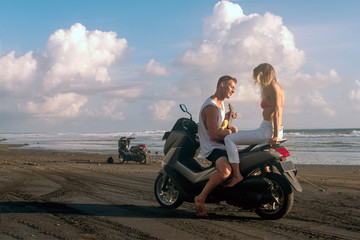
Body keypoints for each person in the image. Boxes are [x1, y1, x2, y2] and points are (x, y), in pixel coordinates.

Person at [224, 63, 285, 187]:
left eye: (258, 76)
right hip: (268, 128)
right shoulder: (274, 87)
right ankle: (266, 185)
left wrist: (275, 136)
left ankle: (236, 175)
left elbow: (278, 111)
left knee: (229, 139)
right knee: (261, 162)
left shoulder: (273, 87)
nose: (257, 80)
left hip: (269, 130)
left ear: (263, 74)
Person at [195, 75, 238, 217]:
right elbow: (214, 135)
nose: (233, 91)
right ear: (222, 84)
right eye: (231, 87)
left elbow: (218, 123)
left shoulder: (220, 104)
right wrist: (231, 131)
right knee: (225, 171)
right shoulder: (211, 107)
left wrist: (227, 117)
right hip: (212, 147)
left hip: (222, 145)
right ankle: (200, 198)